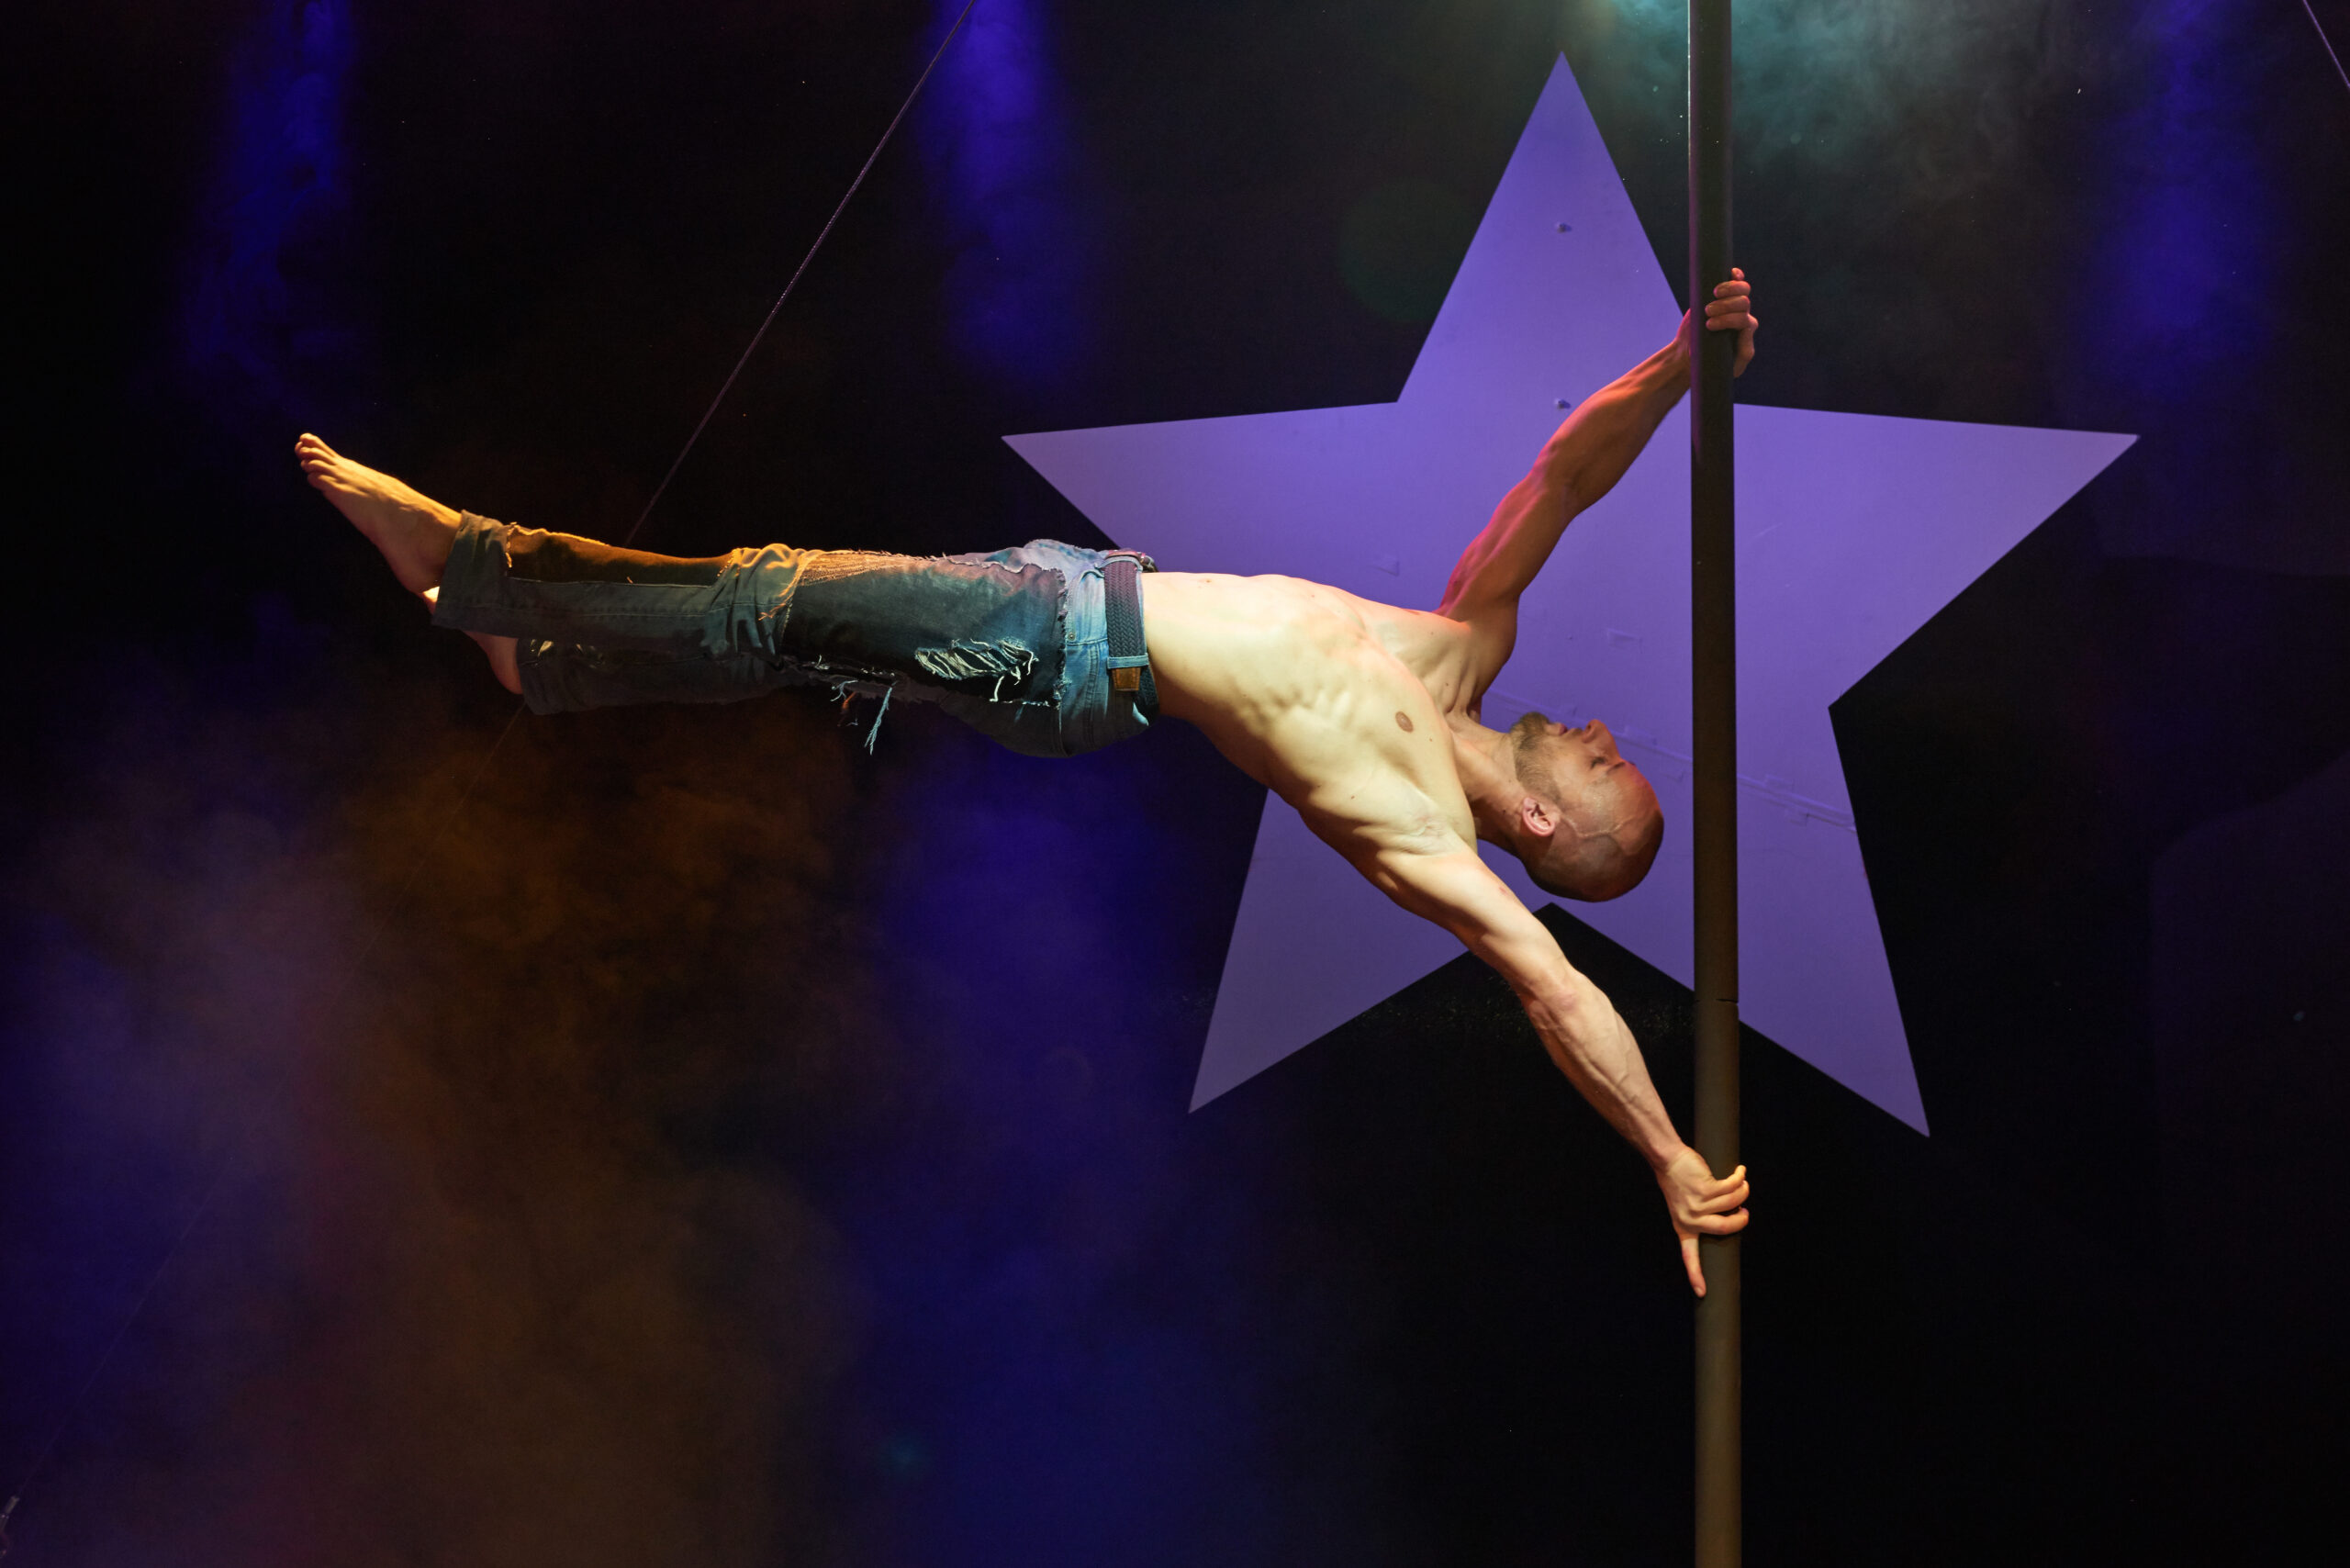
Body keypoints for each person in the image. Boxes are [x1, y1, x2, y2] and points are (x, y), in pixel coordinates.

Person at [299, 273, 1761, 1294]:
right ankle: (547, 665)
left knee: (777, 594)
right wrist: (1679, 364)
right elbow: (1566, 476)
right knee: (798, 636)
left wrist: (1667, 1156)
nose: (1605, 733)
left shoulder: (1426, 836)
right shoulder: (1465, 646)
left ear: (1548, 824)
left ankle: (477, 567)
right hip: (1068, 601)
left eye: (1609, 771)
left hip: (1063, 655)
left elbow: (1554, 990)